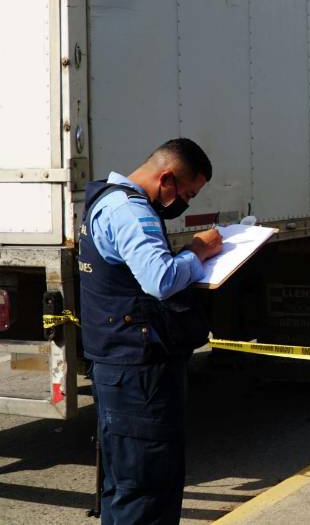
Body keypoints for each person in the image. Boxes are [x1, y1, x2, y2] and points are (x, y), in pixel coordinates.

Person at [78, 138, 223, 524]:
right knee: (146, 489)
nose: (184, 204)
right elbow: (160, 279)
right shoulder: (130, 211)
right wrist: (197, 252)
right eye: (187, 194)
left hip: (120, 364)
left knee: (125, 486)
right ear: (167, 179)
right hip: (138, 373)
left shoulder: (105, 199)